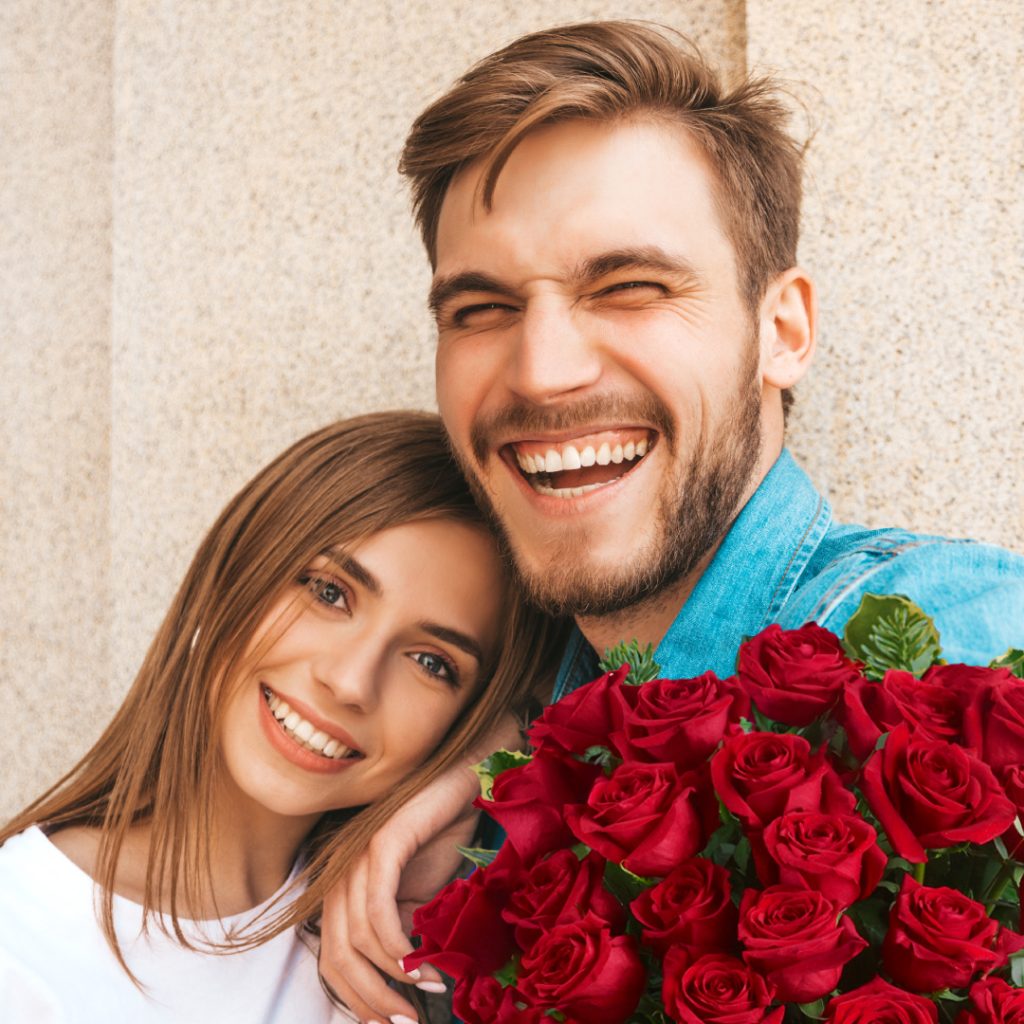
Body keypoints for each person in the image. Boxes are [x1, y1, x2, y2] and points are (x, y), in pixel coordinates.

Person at [316, 21, 1024, 1024]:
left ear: (781, 332)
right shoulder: (463, 732)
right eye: (480, 309)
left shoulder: (968, 649)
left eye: (630, 287)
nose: (541, 369)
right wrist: (498, 765)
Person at [0, 411, 564, 1024]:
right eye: (329, 593)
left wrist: (481, 763)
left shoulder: (404, 953)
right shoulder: (20, 941)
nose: (349, 682)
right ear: (235, 569)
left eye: (431, 662)